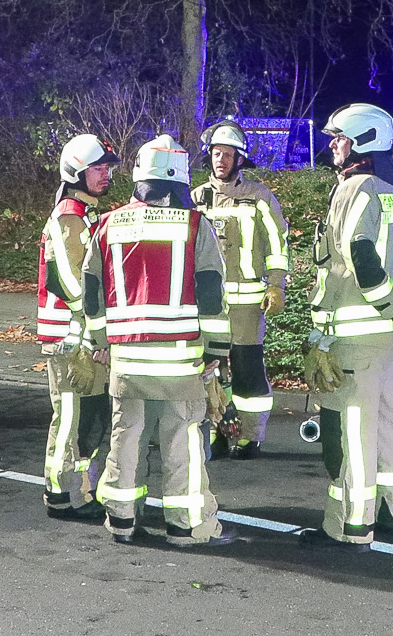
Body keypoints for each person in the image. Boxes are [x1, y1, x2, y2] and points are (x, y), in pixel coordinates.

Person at [84, 134, 239, 547]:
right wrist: (217, 350)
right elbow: (211, 292)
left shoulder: (107, 224)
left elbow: (91, 289)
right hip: (180, 359)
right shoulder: (194, 225)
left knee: (126, 436)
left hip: (127, 358)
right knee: (182, 439)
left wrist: (99, 340)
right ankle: (186, 526)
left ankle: (121, 519)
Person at [300, 104, 393, 550]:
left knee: (353, 433)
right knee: (392, 424)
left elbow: (359, 254)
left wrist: (390, 305)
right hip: (392, 337)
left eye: (340, 138)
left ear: (361, 143)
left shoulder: (355, 187)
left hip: (356, 338)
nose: (334, 145)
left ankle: (351, 527)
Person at [192, 120, 290, 459]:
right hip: (209, 304)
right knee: (211, 370)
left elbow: (277, 244)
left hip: (248, 303)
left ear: (240, 159)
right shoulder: (196, 198)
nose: (221, 160)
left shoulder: (259, 196)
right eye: (216, 153)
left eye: (228, 154)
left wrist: (276, 285)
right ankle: (217, 430)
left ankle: (251, 434)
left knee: (247, 369)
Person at [37, 133, 120, 522]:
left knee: (89, 419)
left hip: (84, 337)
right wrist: (91, 338)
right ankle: (58, 494)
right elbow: (73, 285)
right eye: (97, 169)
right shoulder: (69, 217)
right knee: (69, 418)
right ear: (75, 173)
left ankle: (80, 490)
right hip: (69, 341)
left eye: (107, 168)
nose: (105, 175)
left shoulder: (86, 215)